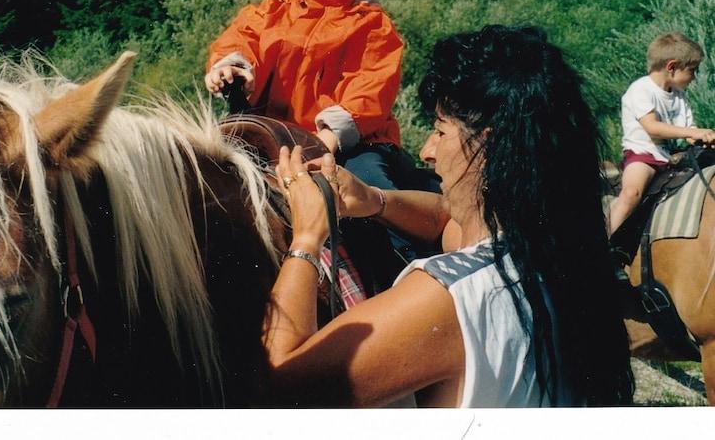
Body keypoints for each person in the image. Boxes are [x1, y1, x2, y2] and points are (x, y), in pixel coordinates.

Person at [263, 25, 633, 407]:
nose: (427, 151)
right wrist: (374, 200)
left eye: (440, 131)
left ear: (488, 148)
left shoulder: (444, 297)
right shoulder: (552, 247)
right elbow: (446, 220)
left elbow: (280, 389)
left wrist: (307, 238)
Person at [204, 0, 427, 194]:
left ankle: (405, 242)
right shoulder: (270, 11)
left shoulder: (371, 21)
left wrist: (327, 140)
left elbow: (371, 88)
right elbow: (242, 39)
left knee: (371, 189)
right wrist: (230, 67)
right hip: (274, 135)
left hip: (354, 142)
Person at [608, 32, 715, 237]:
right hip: (643, 155)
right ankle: (604, 247)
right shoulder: (641, 90)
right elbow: (652, 127)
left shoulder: (679, 96)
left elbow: (689, 133)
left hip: (669, 157)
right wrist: (695, 132)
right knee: (632, 194)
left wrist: (705, 137)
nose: (694, 77)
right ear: (672, 67)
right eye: (693, 70)